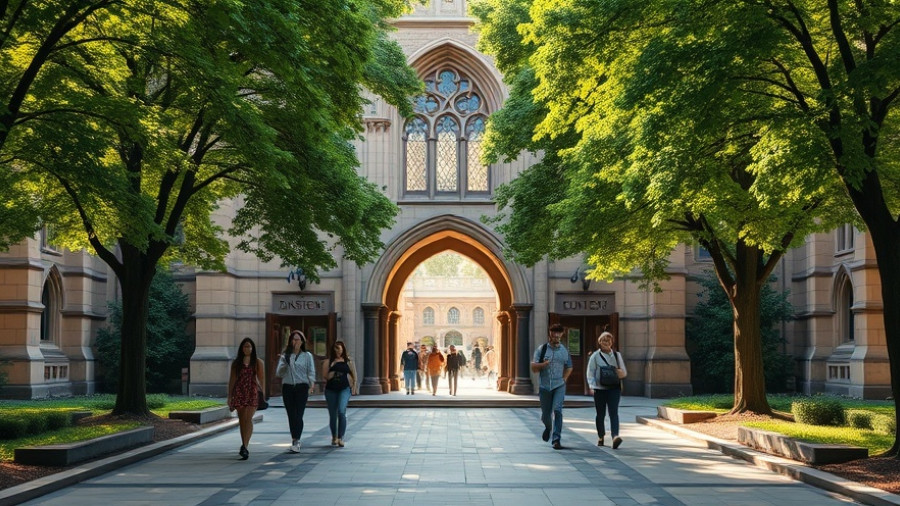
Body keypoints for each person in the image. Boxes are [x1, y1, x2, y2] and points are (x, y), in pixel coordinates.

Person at [531, 323, 572, 450]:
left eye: (559, 334)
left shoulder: (564, 351)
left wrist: (564, 379)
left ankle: (556, 439)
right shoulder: (542, 349)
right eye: (554, 334)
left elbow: (569, 367)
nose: (556, 336)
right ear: (550, 334)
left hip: (559, 385)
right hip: (545, 386)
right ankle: (548, 427)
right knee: (546, 414)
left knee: (558, 410)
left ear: (561, 334)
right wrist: (543, 365)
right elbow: (533, 367)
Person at [275, 330, 316, 453]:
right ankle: (294, 439)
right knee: (291, 414)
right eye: (293, 339)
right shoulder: (286, 355)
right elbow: (279, 373)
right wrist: (285, 363)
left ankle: (296, 440)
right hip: (288, 387)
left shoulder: (307, 356)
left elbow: (311, 371)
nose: (295, 342)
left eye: (298, 339)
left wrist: (311, 385)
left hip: (302, 387)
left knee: (299, 414)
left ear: (302, 341)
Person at [587, 332, 627, 449]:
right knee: (600, 414)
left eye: (608, 340)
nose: (606, 342)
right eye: (604, 340)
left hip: (614, 388)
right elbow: (590, 372)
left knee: (613, 413)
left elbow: (624, 372)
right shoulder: (595, 356)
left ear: (612, 342)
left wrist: (620, 372)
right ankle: (601, 436)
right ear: (600, 342)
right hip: (599, 389)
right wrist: (592, 386)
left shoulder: (617, 355)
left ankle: (615, 437)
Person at [227, 337, 265, 460]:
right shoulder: (236, 363)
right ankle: (243, 443)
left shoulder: (258, 362)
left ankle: (245, 446)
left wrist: (263, 394)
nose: (247, 349)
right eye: (245, 346)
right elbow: (232, 380)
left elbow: (261, 379)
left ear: (252, 348)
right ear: (241, 348)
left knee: (248, 418)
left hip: (252, 392)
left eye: (249, 346)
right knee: (242, 419)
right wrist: (230, 396)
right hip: (239, 392)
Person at [325, 340, 357, 447]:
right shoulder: (329, 361)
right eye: (335, 349)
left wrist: (354, 387)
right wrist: (333, 367)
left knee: (341, 411)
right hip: (331, 390)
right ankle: (334, 436)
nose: (337, 351)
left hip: (344, 388)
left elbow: (354, 375)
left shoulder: (348, 361)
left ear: (343, 349)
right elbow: (325, 376)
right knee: (333, 415)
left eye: (339, 349)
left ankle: (340, 437)